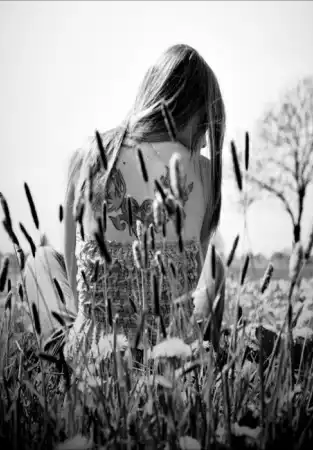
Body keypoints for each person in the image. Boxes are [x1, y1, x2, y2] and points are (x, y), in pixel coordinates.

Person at [23, 44, 227, 370]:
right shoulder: (206, 174)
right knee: (214, 266)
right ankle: (198, 357)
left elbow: (78, 284)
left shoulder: (90, 155)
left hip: (97, 354)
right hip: (169, 355)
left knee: (41, 259)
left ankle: (64, 360)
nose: (204, 141)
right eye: (205, 124)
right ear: (187, 110)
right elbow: (185, 289)